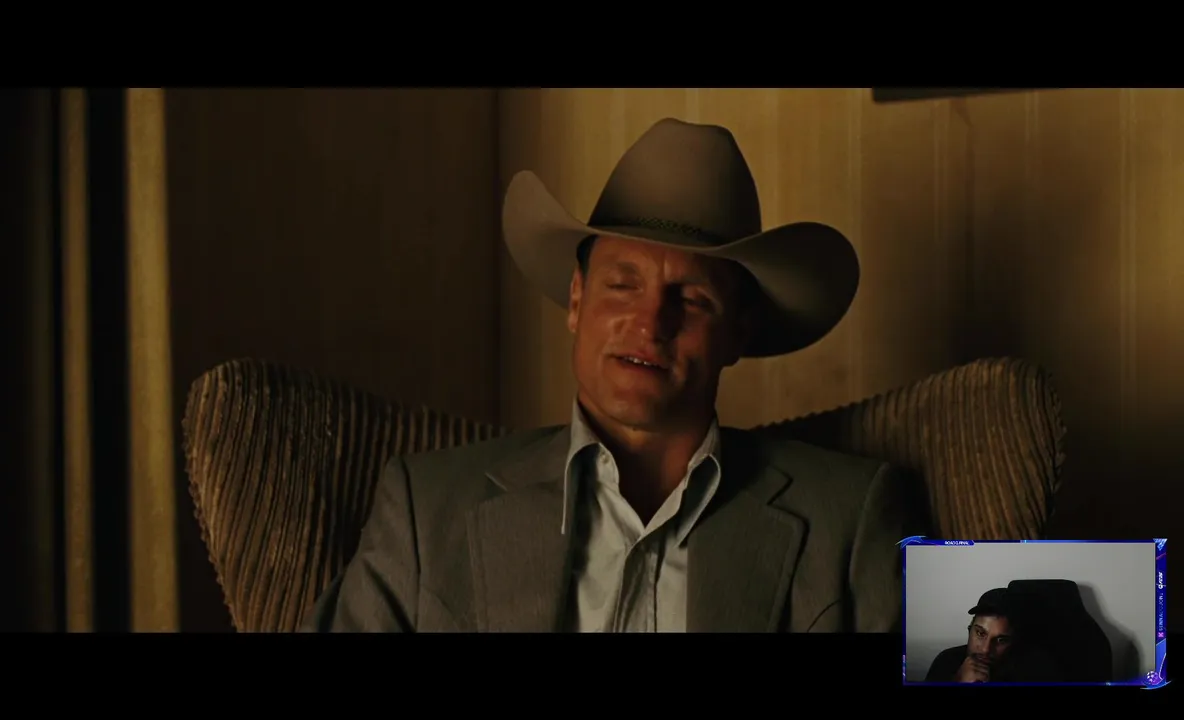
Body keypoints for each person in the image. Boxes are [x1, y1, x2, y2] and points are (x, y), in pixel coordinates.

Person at [303, 117, 921, 633]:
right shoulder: (424, 507)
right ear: (577, 300)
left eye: (693, 300)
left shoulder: (856, 511)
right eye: (623, 285)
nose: (651, 323)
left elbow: (965, 661)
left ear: (739, 331)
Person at [921, 588, 1064, 682]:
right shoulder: (946, 661)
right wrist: (957, 681)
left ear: (1015, 642)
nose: (985, 649)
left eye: (1001, 640)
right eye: (980, 633)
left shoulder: (1033, 672)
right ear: (969, 630)